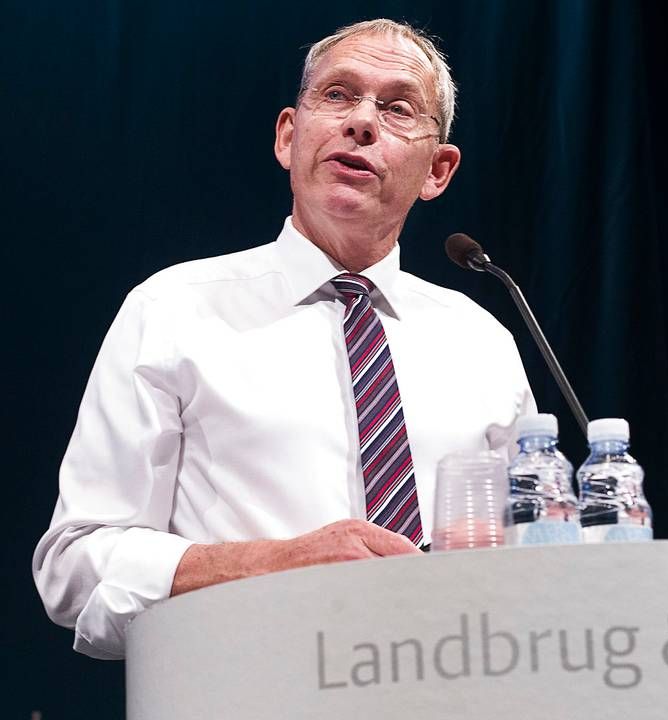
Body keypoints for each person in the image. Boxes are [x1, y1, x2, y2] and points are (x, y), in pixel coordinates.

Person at [33, 19, 534, 660]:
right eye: (337, 95)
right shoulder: (174, 310)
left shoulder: (481, 340)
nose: (361, 122)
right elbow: (73, 566)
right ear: (289, 137)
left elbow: (529, 562)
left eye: (397, 108)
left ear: (437, 171)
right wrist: (275, 563)